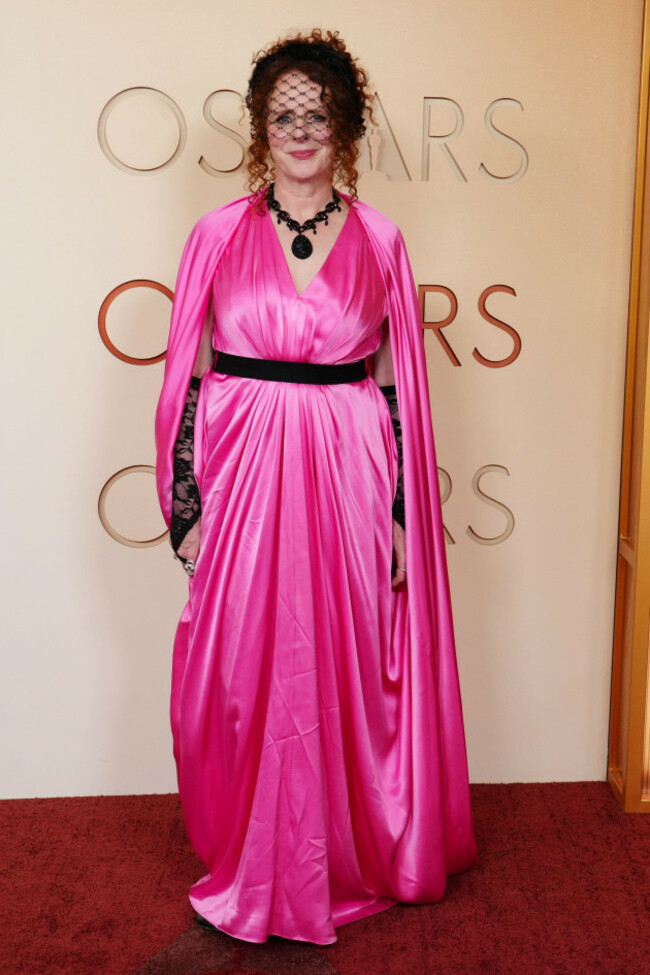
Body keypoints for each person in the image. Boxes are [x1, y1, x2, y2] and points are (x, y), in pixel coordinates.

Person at [155, 28, 478, 946]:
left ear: (345, 127)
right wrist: (186, 506)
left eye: (319, 112)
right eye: (284, 113)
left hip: (350, 469)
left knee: (342, 662)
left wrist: (407, 514)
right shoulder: (216, 234)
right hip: (243, 467)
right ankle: (252, 848)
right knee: (239, 668)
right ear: (262, 127)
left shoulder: (382, 239)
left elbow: (397, 388)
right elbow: (184, 377)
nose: (302, 130)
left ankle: (338, 852)